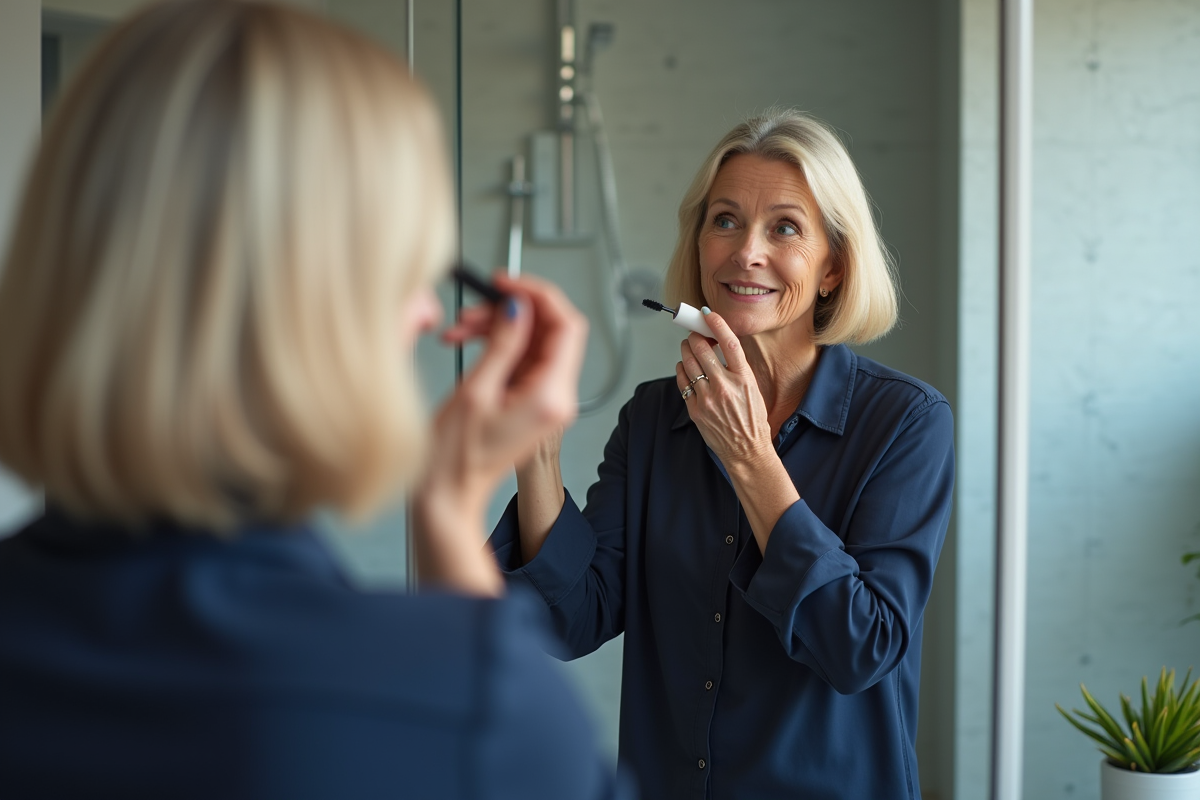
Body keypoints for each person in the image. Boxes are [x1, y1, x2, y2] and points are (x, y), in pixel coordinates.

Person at [0, 2, 628, 799]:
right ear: (306, 299)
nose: (428, 310)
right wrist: (448, 528)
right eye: (405, 264)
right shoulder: (466, 709)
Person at [487, 110, 955, 800]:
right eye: (725, 220)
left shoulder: (906, 423)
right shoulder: (653, 417)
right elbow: (569, 618)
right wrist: (537, 451)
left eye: (785, 228)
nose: (746, 252)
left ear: (833, 270)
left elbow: (861, 648)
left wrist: (750, 459)